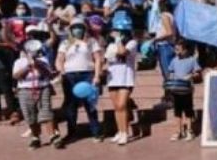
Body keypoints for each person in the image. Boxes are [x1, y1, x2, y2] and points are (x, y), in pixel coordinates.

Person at [55, 18, 103, 146]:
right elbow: (59, 60)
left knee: (90, 104)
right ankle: (71, 133)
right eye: (75, 27)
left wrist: (97, 76)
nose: (77, 29)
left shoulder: (91, 42)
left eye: (80, 27)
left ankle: (96, 131)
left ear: (85, 28)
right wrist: (62, 71)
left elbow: (98, 59)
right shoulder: (65, 43)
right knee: (71, 106)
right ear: (70, 29)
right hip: (70, 75)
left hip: (87, 74)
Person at [13, 40, 61, 149]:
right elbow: (16, 76)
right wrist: (28, 67)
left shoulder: (43, 60)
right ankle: (35, 137)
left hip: (43, 88)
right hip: (25, 90)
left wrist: (38, 65)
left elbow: (49, 74)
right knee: (30, 115)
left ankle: (53, 136)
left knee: (46, 112)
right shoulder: (19, 62)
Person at [105, 15, 138, 145]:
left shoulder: (132, 43)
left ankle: (125, 132)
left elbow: (123, 52)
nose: (115, 33)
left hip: (126, 78)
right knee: (116, 107)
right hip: (113, 78)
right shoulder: (110, 45)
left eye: (119, 31)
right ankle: (119, 131)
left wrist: (118, 40)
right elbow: (107, 59)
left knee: (122, 105)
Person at [166, 39, 200, 141]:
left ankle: (190, 130)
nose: (177, 52)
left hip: (187, 90)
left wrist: (191, 76)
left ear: (185, 50)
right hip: (176, 89)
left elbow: (198, 72)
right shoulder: (174, 60)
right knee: (177, 111)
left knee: (188, 111)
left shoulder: (192, 60)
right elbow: (170, 72)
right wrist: (170, 80)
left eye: (179, 49)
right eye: (175, 49)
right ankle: (178, 131)